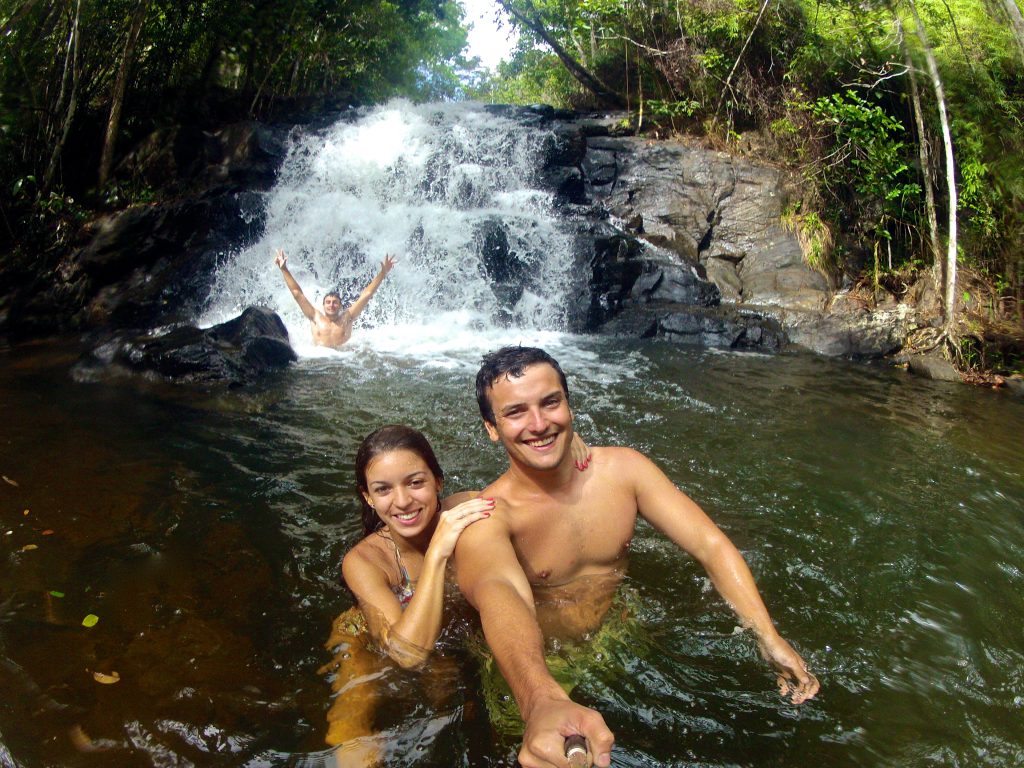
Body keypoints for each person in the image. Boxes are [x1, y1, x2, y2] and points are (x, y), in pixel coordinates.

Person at [453, 346, 820, 768]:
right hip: (538, 666)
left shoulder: (624, 471)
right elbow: (500, 595)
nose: (539, 424)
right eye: (516, 412)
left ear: (569, 405)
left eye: (550, 402)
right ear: (492, 428)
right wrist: (539, 699)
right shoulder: (489, 517)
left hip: (619, 633)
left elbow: (709, 544)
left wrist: (767, 636)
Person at [320, 424, 592, 764]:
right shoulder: (365, 561)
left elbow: (534, 500)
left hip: (454, 635)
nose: (402, 501)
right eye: (383, 489)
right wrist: (438, 554)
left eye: (416, 482)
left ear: (438, 481)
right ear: (368, 497)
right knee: (351, 730)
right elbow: (406, 654)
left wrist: (564, 451)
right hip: (371, 638)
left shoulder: (468, 509)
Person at [274, 249, 395, 349]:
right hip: (318, 361)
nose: (331, 305)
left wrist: (383, 273)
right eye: (328, 302)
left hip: (342, 361)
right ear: (323, 305)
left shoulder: (347, 317)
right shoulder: (315, 317)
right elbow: (297, 293)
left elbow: (367, 294)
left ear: (341, 306)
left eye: (335, 303)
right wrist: (283, 269)